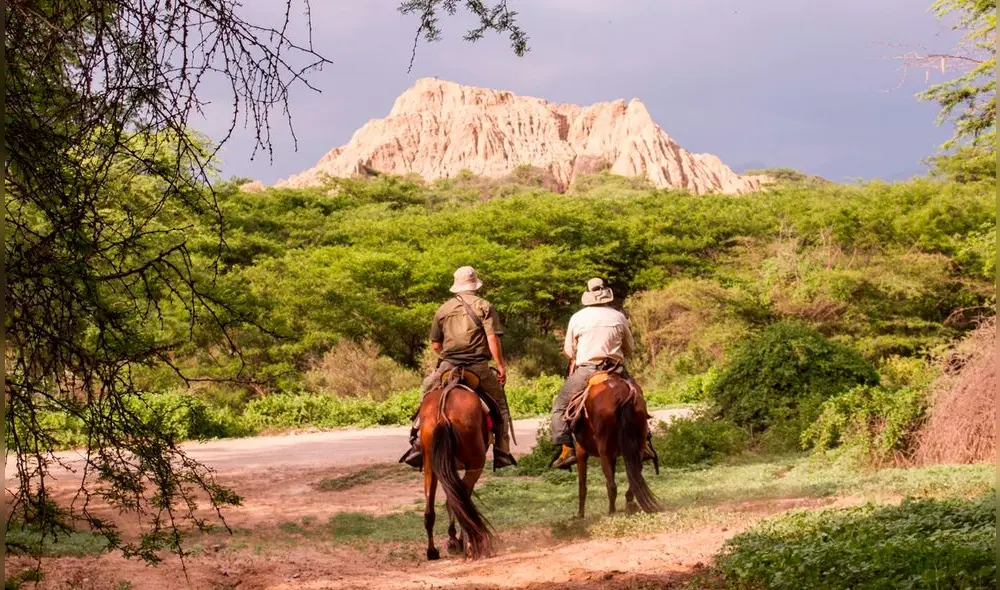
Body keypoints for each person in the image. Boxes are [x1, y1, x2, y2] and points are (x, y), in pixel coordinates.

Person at [399, 266, 517, 469]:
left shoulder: (443, 309)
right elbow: (492, 338)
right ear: (475, 284)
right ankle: (502, 451)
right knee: (500, 405)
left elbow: (436, 345)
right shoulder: (485, 306)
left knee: (426, 394)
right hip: (477, 366)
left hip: (448, 365)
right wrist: (500, 365)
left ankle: (417, 443)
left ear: (457, 285)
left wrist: (449, 355)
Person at [549, 278, 638, 469]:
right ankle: (645, 443)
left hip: (587, 370)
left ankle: (567, 450)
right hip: (616, 369)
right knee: (638, 401)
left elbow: (569, 350)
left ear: (588, 294)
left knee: (559, 406)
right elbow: (630, 348)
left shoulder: (577, 317)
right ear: (606, 293)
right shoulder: (619, 316)